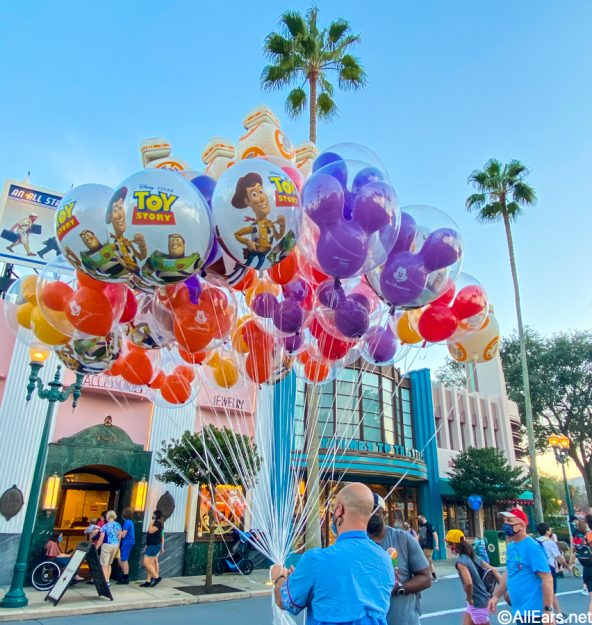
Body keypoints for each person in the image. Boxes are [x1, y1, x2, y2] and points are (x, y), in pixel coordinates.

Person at [271, 483, 395, 624]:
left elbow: (283, 601)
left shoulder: (316, 560)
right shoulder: (385, 560)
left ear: (339, 511)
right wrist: (301, 577)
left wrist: (279, 577)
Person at [367, 495, 431, 625]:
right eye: (367, 509)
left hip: (404, 620)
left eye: (375, 509)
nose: (371, 513)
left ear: (384, 512)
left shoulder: (403, 539)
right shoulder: (358, 545)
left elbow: (426, 578)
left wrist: (398, 588)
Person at [488, 508, 553, 623]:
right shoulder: (511, 546)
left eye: (510, 521)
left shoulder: (532, 547)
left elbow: (547, 578)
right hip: (519, 611)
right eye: (505, 521)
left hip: (535, 613)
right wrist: (496, 596)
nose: (506, 524)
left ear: (521, 525)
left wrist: (547, 610)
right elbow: (509, 572)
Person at [446, 529, 503, 625]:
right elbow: (494, 571)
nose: (448, 547)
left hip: (476, 602)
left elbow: (468, 583)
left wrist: (469, 598)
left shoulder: (461, 562)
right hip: (481, 599)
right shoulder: (473, 556)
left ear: (454, 545)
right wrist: (505, 590)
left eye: (449, 544)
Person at [232, 172, 286, 270]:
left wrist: (282, 226)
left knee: (259, 267)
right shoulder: (254, 226)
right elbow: (237, 234)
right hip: (254, 249)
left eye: (261, 191)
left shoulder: (270, 224)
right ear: (247, 201)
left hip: (265, 252)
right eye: (254, 194)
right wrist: (248, 241)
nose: (261, 198)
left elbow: (278, 237)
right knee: (247, 264)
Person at [536, 522, 572, 614]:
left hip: (537, 568)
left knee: (540, 591)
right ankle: (558, 613)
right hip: (549, 568)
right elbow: (559, 557)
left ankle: (544, 612)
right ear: (547, 531)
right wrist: (567, 566)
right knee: (551, 592)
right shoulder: (550, 542)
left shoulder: (534, 541)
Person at [95, 510, 122, 585]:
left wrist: (96, 548)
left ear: (108, 517)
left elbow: (101, 539)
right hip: (115, 545)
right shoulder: (118, 525)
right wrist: (118, 545)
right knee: (109, 563)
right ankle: (108, 580)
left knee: (104, 564)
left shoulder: (105, 526)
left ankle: (105, 581)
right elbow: (119, 536)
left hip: (107, 545)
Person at [141, 509, 164, 587]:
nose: (153, 515)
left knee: (146, 563)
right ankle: (148, 581)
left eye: (154, 514)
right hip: (151, 545)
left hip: (154, 546)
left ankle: (156, 577)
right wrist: (146, 545)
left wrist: (151, 523)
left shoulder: (158, 524)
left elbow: (151, 531)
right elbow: (150, 535)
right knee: (150, 564)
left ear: (157, 516)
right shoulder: (155, 523)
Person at [417, 514, 439, 582]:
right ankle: (434, 576)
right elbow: (418, 535)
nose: (419, 520)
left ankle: (428, 577)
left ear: (423, 517)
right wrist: (416, 544)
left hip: (428, 546)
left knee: (426, 561)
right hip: (422, 546)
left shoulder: (429, 525)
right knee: (429, 562)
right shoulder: (420, 525)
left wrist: (437, 545)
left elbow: (435, 534)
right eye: (418, 519)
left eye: (420, 518)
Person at [117, 507, 135, 585]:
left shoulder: (127, 522)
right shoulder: (130, 522)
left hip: (127, 542)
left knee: (124, 559)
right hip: (129, 541)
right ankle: (125, 574)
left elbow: (123, 534)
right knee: (121, 558)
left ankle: (125, 576)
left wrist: (118, 532)